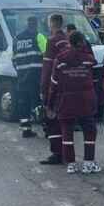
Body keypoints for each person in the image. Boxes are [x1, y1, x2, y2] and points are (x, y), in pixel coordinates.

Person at [48, 31, 100, 174]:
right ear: (82, 42)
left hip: (66, 101)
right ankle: (88, 163)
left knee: (66, 131)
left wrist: (50, 103)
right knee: (89, 130)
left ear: (69, 42)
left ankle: (71, 164)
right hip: (86, 100)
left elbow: (54, 84)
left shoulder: (60, 59)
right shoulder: (89, 59)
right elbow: (95, 80)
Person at [38, 13, 70, 165]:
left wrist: (43, 90)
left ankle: (56, 153)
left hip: (54, 86)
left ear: (52, 24)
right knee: (66, 121)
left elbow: (47, 67)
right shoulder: (68, 39)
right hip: (69, 86)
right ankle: (66, 152)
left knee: (52, 120)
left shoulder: (52, 41)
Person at [11, 16, 43, 139]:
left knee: (23, 103)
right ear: (35, 24)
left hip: (21, 76)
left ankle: (26, 129)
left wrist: (20, 71)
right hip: (36, 76)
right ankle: (46, 127)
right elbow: (47, 54)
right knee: (37, 103)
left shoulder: (17, 38)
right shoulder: (38, 36)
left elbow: (14, 59)